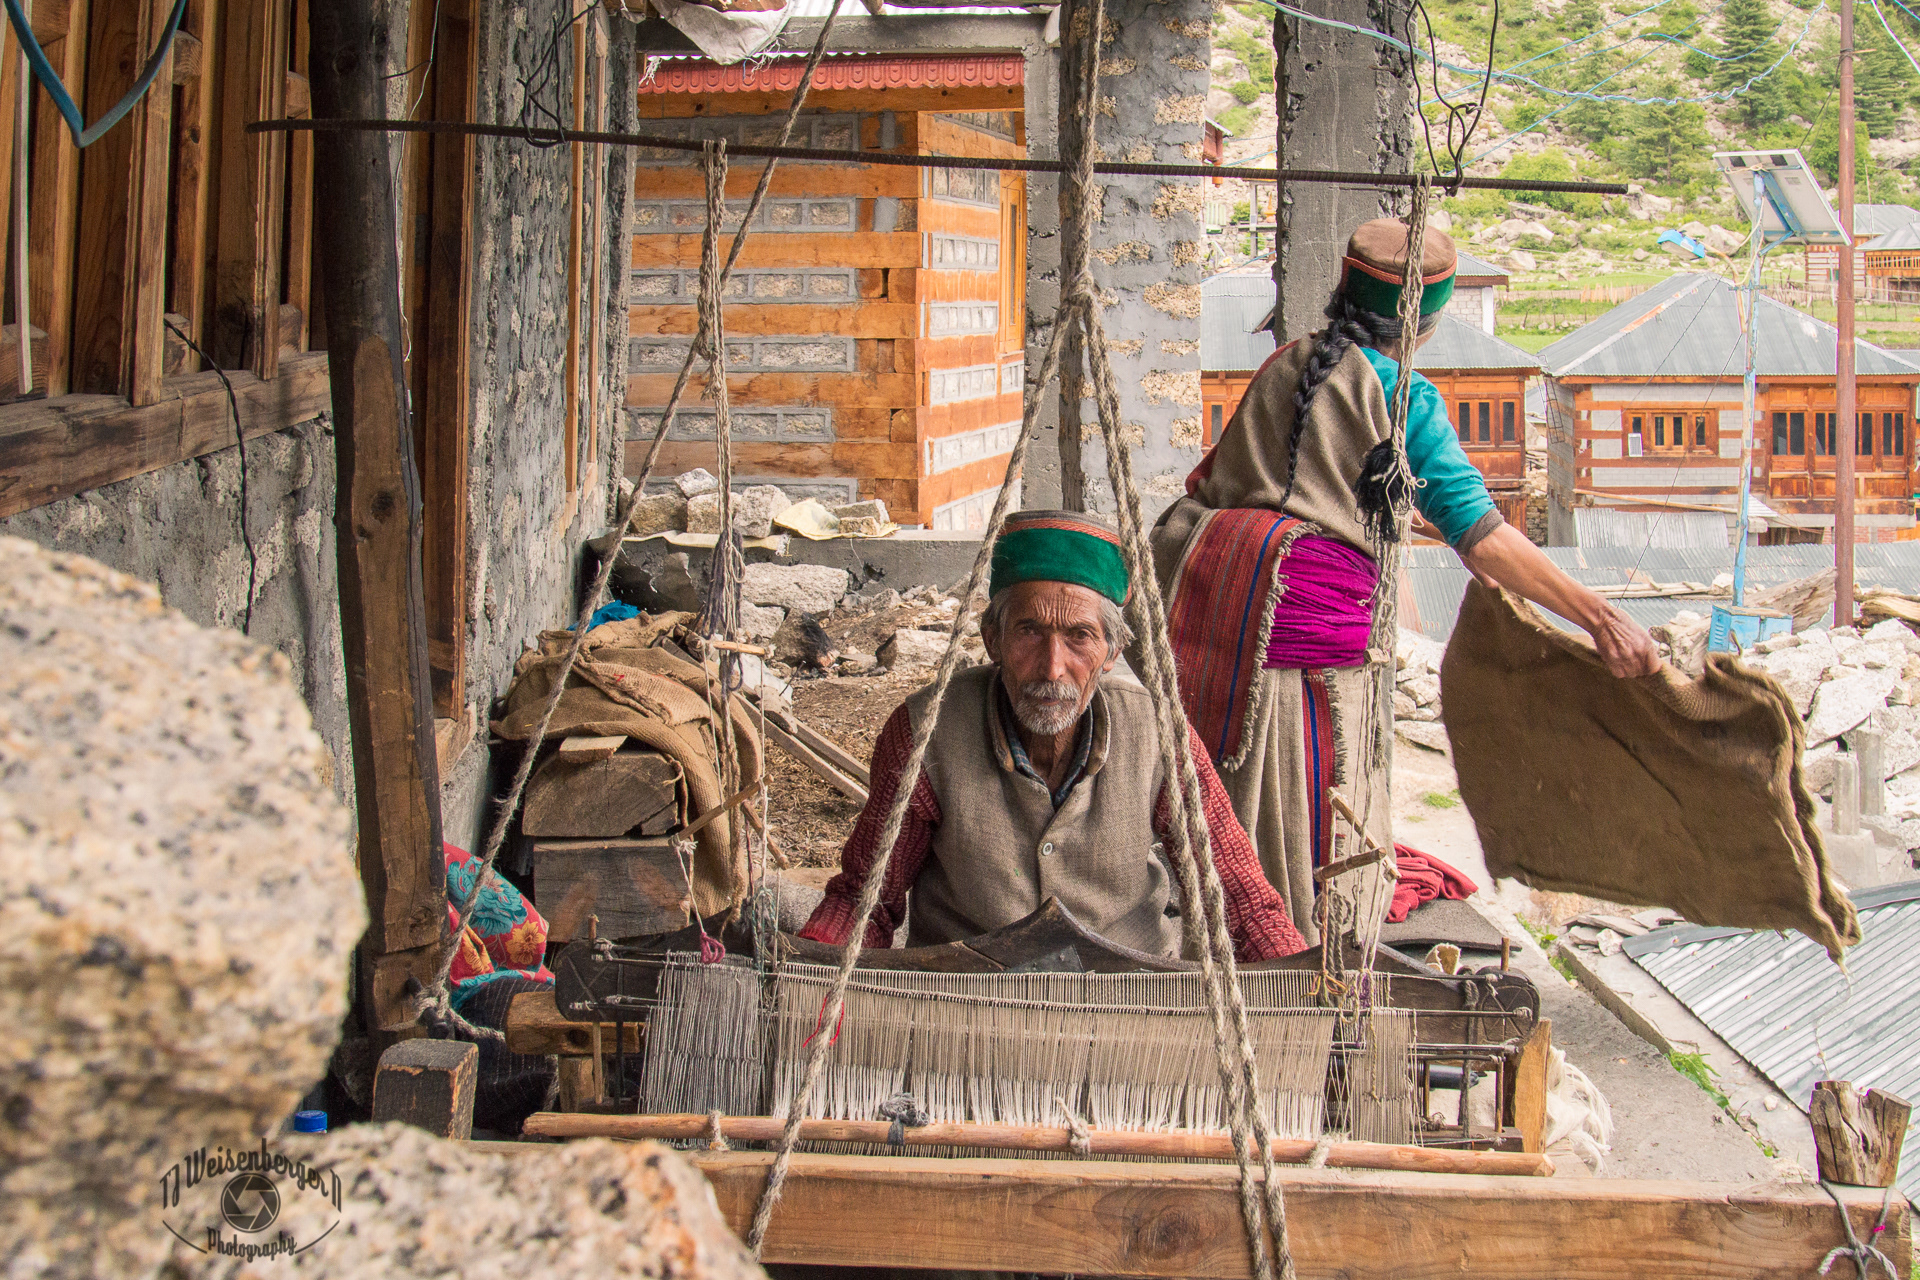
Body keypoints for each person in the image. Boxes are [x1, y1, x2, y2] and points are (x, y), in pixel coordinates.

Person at [1149, 218, 1659, 946]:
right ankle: (1284, 946)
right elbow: (1481, 538)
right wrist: (1599, 617)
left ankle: (1210, 924)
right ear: (1426, 320)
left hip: (1211, 613)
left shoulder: (1285, 363)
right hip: (1304, 650)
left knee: (1222, 795)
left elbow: (1212, 483)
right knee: (1306, 812)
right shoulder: (1401, 396)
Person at [800, 509, 1307, 961]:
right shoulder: (925, 732)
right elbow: (866, 899)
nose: (1053, 667)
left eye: (1079, 637)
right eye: (1028, 632)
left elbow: (1240, 900)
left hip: (1128, 1001)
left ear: (1111, 653)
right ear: (992, 639)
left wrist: (1307, 995)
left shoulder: (1158, 737)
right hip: (968, 1004)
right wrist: (813, 978)